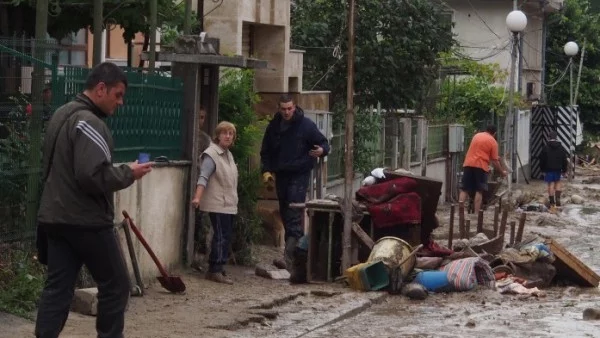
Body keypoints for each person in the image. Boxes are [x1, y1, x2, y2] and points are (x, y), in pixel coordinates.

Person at [35, 62, 154, 338]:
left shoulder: (62, 114)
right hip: (85, 221)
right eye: (118, 94)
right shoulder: (90, 123)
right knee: (116, 285)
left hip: (54, 217)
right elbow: (91, 175)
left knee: (58, 288)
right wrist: (129, 173)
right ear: (101, 88)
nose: (120, 102)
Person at [260, 94, 330, 270]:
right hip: (281, 174)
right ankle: (293, 256)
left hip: (299, 173)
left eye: (289, 108)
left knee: (293, 213)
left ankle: (290, 257)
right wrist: (266, 170)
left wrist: (322, 150)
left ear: (294, 107)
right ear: (279, 108)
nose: (286, 112)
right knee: (285, 213)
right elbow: (266, 150)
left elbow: (323, 143)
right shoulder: (274, 126)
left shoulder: (305, 126)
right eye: (283, 109)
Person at [191, 121, 238, 285]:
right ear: (217, 135)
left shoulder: (228, 155)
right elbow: (203, 177)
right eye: (224, 133)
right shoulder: (211, 154)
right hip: (217, 203)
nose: (227, 136)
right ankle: (214, 269)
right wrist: (197, 197)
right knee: (220, 235)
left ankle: (219, 266)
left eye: (230, 133)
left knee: (225, 235)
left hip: (229, 204)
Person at [459, 125, 507, 214]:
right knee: (479, 190)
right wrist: (502, 172)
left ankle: (460, 213)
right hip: (480, 166)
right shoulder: (493, 142)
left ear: (486, 130)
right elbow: (495, 161)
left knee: (464, 189)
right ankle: (476, 214)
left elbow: (479, 150)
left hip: (468, 164)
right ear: (494, 133)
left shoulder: (477, 136)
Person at [191, 106, 213, 272]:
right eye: (198, 116)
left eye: (203, 117)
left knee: (201, 222)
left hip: (201, 185)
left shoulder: (205, 140)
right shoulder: (186, 135)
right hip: (191, 183)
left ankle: (199, 257)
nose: (200, 121)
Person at [539, 130, 568, 207]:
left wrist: (542, 170)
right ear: (556, 137)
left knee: (550, 184)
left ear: (549, 137)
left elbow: (542, 159)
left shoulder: (545, 147)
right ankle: (558, 199)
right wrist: (564, 170)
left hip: (548, 169)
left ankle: (552, 202)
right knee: (558, 182)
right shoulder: (561, 148)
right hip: (558, 169)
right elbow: (564, 159)